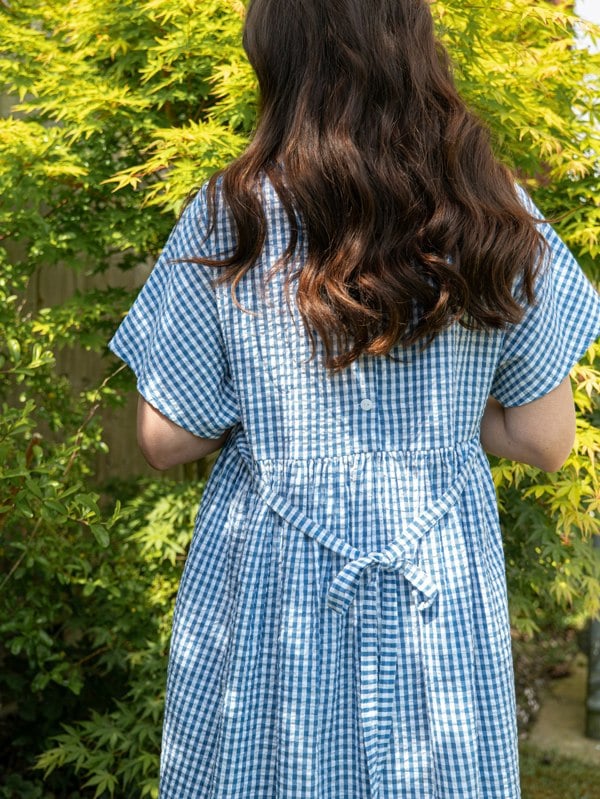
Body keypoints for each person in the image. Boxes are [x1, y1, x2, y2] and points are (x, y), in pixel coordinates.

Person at [108, 1, 600, 797]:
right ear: (415, 46)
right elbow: (546, 440)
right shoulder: (493, 207)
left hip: (274, 593)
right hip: (434, 586)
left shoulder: (230, 212)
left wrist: (271, 399)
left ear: (279, 56)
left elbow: (166, 437)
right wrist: (453, 404)